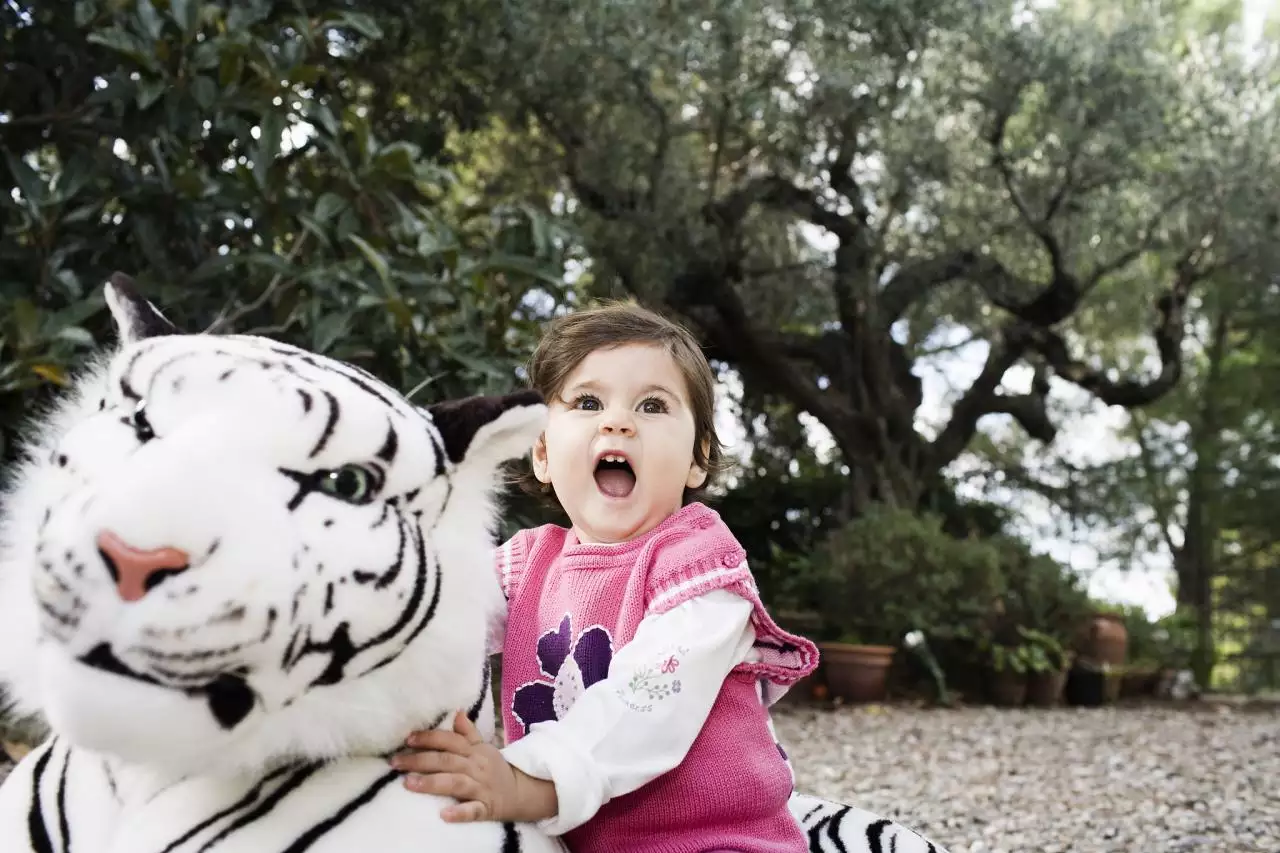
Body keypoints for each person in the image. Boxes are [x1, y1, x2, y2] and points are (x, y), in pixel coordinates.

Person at [391, 301, 819, 852]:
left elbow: (647, 703)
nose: (617, 421)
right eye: (588, 402)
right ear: (543, 452)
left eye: (652, 405)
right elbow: (438, 619)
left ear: (697, 458)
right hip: (571, 833)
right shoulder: (526, 563)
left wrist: (524, 780)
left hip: (715, 841)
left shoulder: (700, 567)